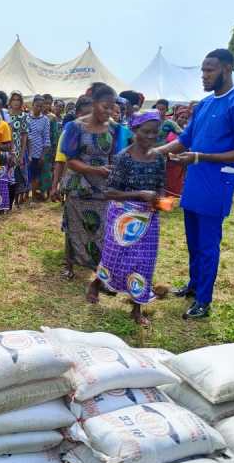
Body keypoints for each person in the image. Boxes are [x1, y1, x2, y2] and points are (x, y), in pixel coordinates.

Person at [151, 49, 234, 319]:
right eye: (203, 70)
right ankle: (194, 285)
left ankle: (204, 301)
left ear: (227, 69)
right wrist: (156, 152)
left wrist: (201, 156)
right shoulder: (205, 104)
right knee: (194, 241)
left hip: (216, 184)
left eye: (209, 70)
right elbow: (185, 139)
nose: (204, 76)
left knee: (208, 245)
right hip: (194, 183)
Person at [87, 110, 166, 325]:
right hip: (122, 216)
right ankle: (96, 284)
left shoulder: (159, 158)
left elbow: (160, 185)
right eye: (146, 132)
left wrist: (160, 199)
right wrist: (139, 195)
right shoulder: (123, 158)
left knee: (144, 261)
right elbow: (110, 192)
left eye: (155, 133)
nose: (151, 137)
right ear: (134, 130)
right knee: (114, 258)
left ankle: (136, 308)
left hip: (148, 217)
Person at [59, 85, 118, 282]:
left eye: (112, 108)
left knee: (101, 228)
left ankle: (98, 267)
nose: (109, 112)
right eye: (105, 106)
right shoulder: (76, 127)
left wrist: (111, 173)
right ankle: (69, 264)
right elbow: (70, 159)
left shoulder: (114, 128)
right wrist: (94, 170)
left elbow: (113, 156)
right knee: (74, 226)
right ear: (93, 104)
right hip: (79, 184)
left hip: (103, 186)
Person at [7, 91, 30, 207]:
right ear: (10, 101)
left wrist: (21, 155)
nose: (16, 102)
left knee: (14, 176)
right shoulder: (5, 114)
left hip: (16, 148)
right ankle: (4, 203)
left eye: (18, 100)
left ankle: (12, 203)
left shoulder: (24, 116)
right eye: (14, 99)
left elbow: (24, 136)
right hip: (4, 148)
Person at [27, 95, 51, 201]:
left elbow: (46, 138)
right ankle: (30, 195)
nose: (39, 108)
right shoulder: (26, 117)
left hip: (39, 151)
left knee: (37, 174)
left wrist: (43, 155)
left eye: (41, 106)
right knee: (29, 174)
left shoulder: (45, 120)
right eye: (37, 106)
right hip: (27, 151)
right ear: (32, 105)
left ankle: (35, 195)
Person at [164, 105, 190, 196]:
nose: (184, 120)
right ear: (176, 117)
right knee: (168, 179)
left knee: (178, 180)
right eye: (182, 117)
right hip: (169, 161)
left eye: (186, 118)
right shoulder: (170, 130)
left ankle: (175, 196)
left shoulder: (187, 132)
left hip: (180, 162)